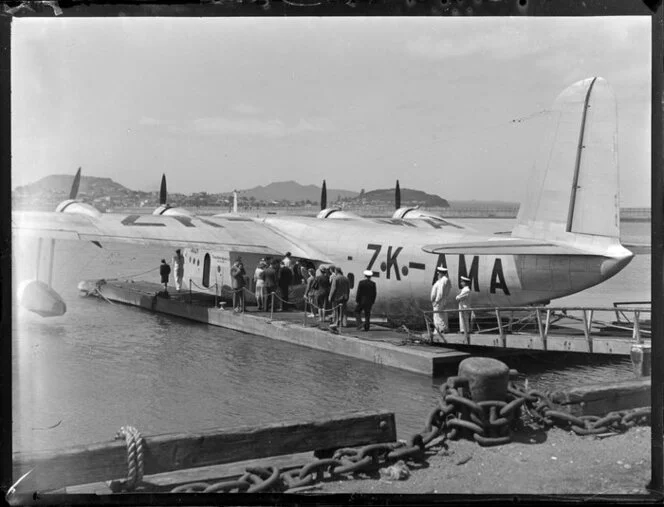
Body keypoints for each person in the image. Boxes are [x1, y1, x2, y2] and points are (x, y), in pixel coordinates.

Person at [430, 266, 451, 336]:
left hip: (439, 301)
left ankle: (438, 331)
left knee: (437, 316)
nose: (438, 274)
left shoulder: (442, 281)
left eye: (439, 273)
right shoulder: (447, 280)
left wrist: (436, 301)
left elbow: (440, 292)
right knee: (443, 315)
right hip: (444, 300)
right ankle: (444, 329)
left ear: (441, 273)